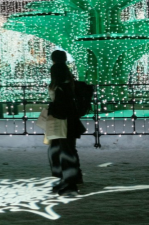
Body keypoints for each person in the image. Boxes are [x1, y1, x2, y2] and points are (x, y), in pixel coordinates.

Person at [45, 50, 86, 195]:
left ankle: (70, 182)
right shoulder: (69, 81)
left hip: (63, 121)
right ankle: (70, 178)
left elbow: (60, 104)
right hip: (68, 120)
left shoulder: (60, 83)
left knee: (64, 150)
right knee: (65, 149)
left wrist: (52, 111)